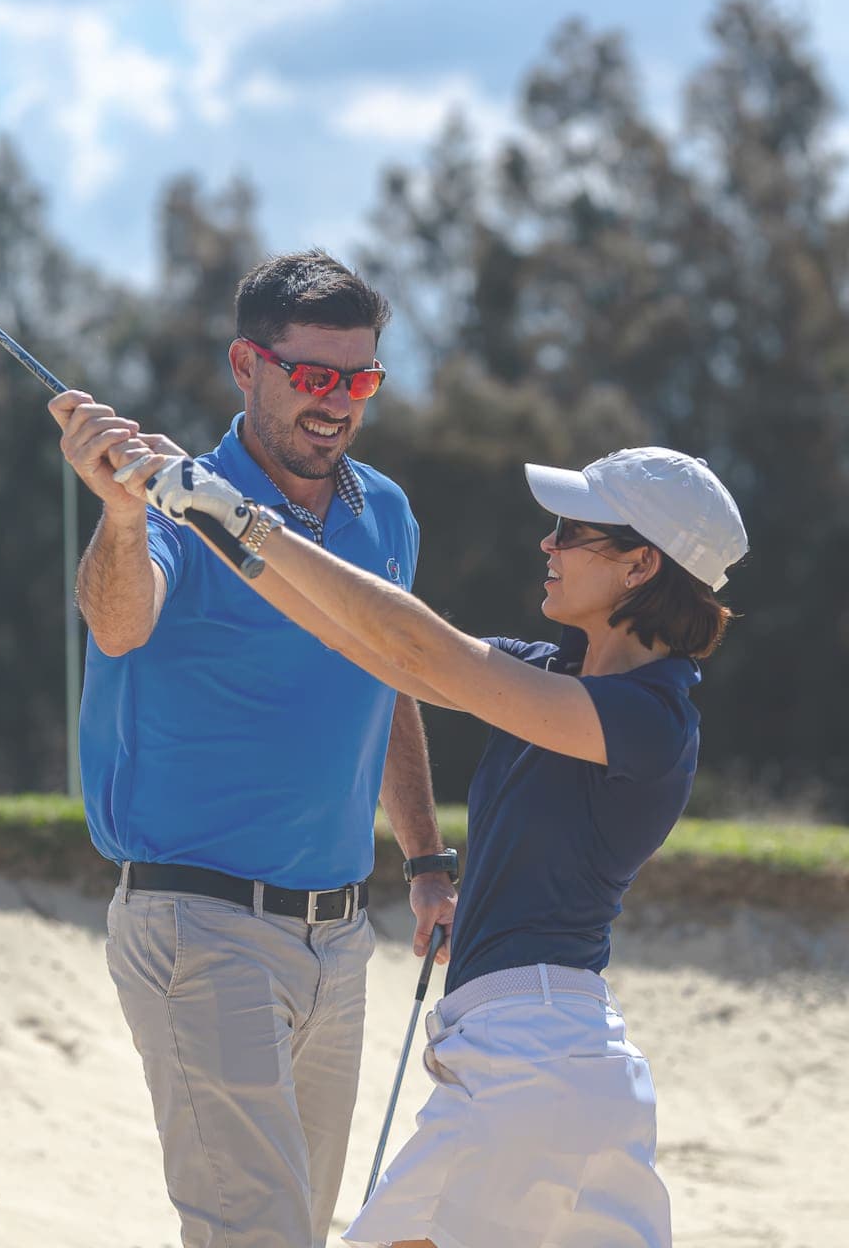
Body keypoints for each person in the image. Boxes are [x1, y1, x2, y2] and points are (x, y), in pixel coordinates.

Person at [108, 438, 748, 1248]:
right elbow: (362, 642)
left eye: (571, 531)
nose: (546, 545)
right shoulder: (557, 672)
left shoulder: (650, 717)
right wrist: (204, 517)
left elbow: (427, 649)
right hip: (544, 1066)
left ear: (639, 566)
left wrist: (250, 520)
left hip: (535, 1065)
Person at [46, 249, 457, 1248]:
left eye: (358, 380)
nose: (336, 403)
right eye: (313, 376)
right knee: (256, 1232)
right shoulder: (183, 504)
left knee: (294, 1232)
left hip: (339, 935)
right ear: (248, 364)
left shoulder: (386, 513)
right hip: (200, 923)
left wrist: (427, 853)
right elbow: (117, 620)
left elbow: (388, 676)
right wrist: (121, 511)